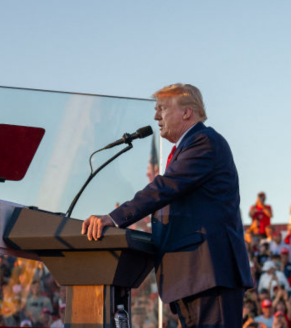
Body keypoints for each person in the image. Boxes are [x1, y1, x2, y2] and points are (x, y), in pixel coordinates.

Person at [82, 83, 253, 328]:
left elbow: (165, 187)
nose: (155, 116)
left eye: (162, 108)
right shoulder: (187, 147)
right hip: (192, 277)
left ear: (187, 112)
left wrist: (114, 218)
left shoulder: (204, 141)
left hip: (209, 275)